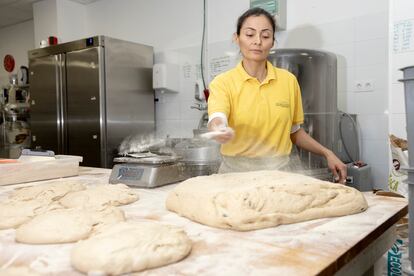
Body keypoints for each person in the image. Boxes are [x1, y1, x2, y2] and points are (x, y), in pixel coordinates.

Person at [207, 7, 347, 183]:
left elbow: (294, 132)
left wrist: (328, 153)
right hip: (235, 175)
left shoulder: (288, 81)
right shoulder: (223, 82)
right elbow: (217, 118)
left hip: (279, 174)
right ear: (237, 38)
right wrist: (219, 129)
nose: (257, 41)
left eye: (265, 36)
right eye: (250, 34)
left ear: (272, 42)